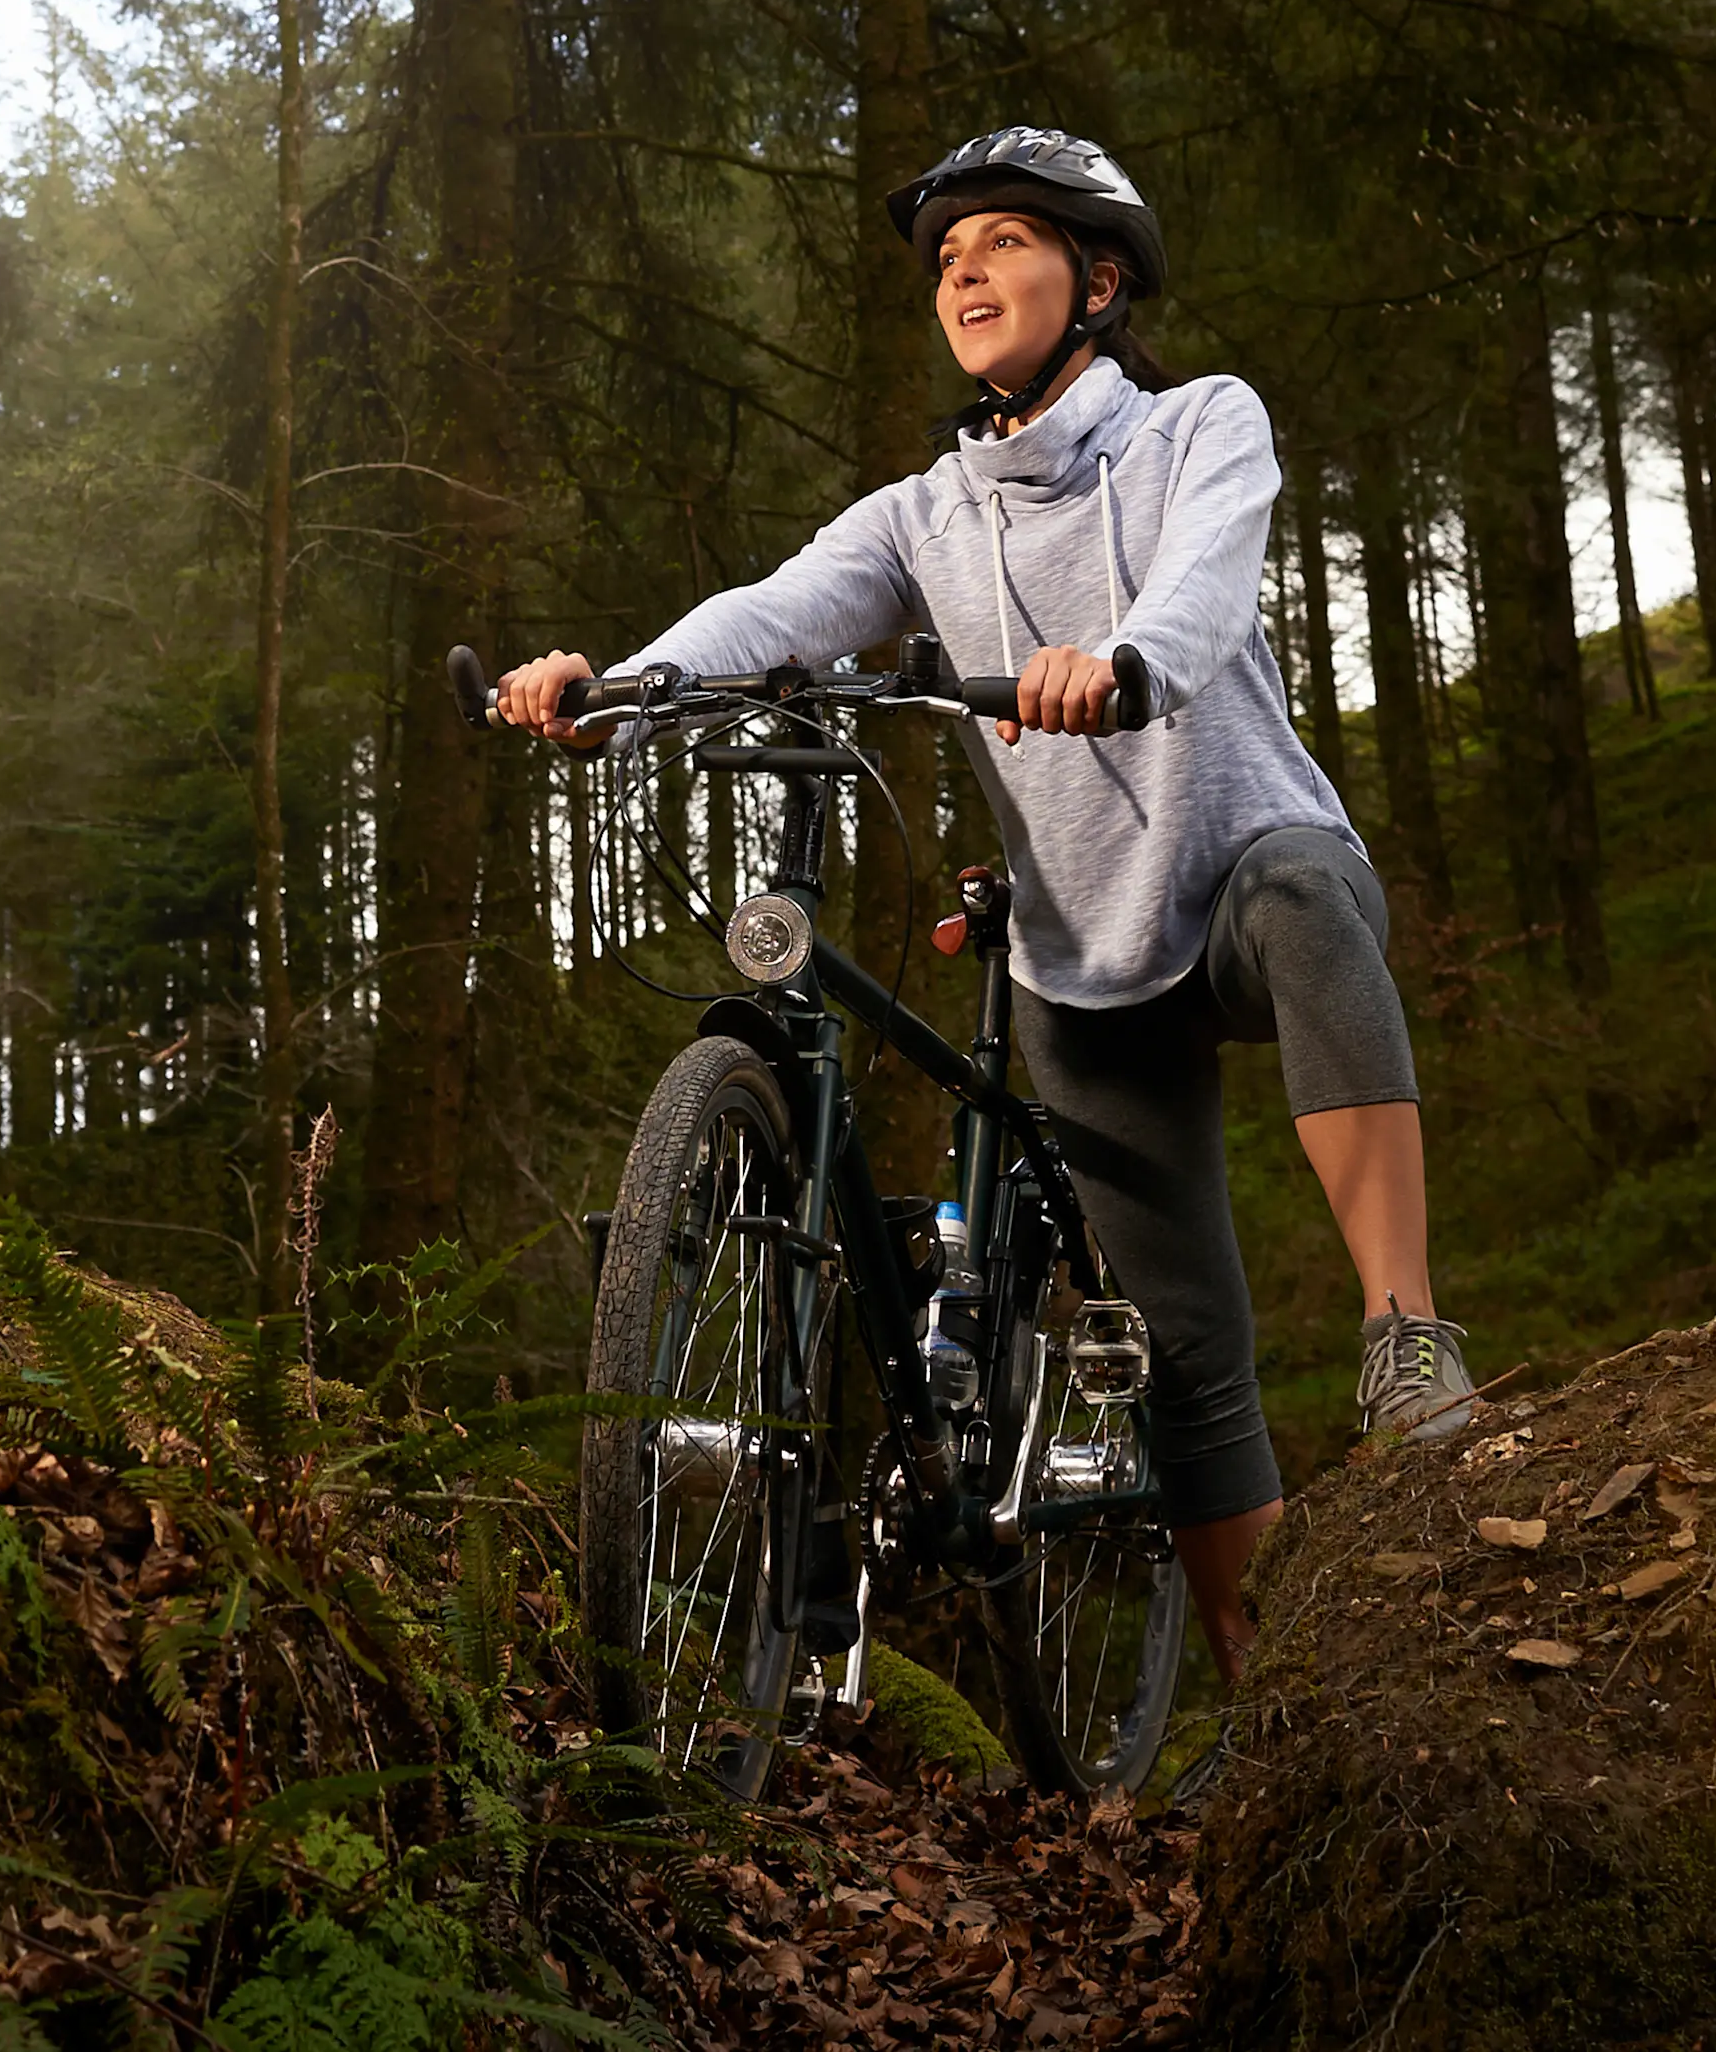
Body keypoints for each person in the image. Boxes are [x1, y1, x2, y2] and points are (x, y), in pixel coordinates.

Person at [495, 123, 1474, 1682]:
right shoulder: (924, 513)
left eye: (1002, 241)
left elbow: (1209, 581)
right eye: (948, 257)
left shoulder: (1196, 426)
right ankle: (1283, 1703)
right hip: (1085, 956)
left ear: (1097, 279)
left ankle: (1407, 1329)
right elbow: (783, 606)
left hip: (1238, 883)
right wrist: (623, 682)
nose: (965, 270)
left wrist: (1127, 658)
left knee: (1301, 892)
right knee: (1188, 1362)